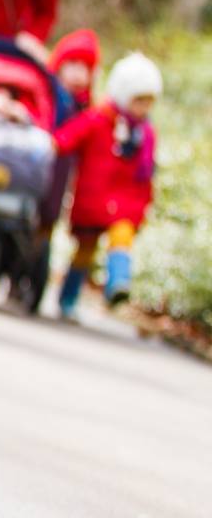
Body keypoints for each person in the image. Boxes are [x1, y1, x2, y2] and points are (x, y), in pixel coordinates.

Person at [52, 52, 162, 319]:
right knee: (85, 252)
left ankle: (117, 285)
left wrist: (146, 201)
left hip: (125, 202)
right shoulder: (98, 119)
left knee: (121, 237)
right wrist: (50, 144)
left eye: (148, 102)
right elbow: (68, 138)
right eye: (139, 101)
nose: (143, 109)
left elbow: (146, 172)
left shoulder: (145, 134)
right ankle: (67, 299)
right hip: (94, 198)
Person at [48, 28, 101, 109]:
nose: (78, 73)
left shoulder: (85, 103)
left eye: (85, 66)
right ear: (60, 67)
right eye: (73, 63)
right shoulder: (49, 93)